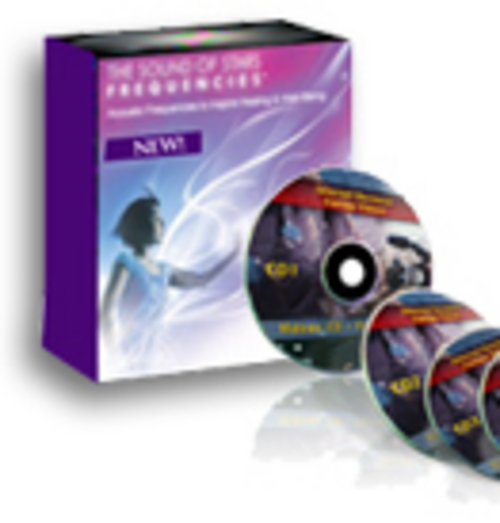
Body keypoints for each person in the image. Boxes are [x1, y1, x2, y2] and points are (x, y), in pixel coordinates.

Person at [100, 194, 237, 358]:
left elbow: (201, 280)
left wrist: (233, 254)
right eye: (156, 219)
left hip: (156, 357)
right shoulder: (126, 261)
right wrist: (114, 357)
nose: (163, 224)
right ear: (140, 225)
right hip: (130, 356)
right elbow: (106, 311)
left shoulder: (164, 270)